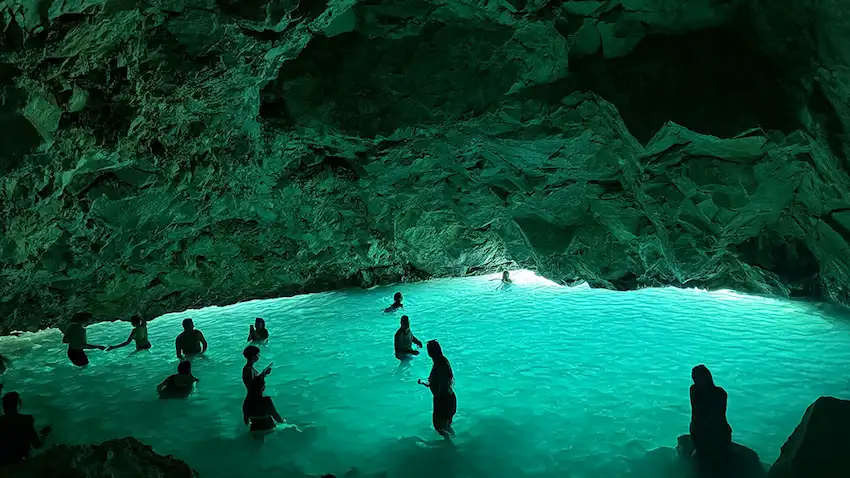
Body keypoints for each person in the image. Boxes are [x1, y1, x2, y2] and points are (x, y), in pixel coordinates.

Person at [689, 365, 732, 464]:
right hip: (703, 432)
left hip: (714, 433)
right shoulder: (695, 390)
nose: (694, 380)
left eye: (696, 378)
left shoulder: (719, 394)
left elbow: (715, 418)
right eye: (694, 378)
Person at [418, 340, 457, 439]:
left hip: (443, 400)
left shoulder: (440, 364)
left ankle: (450, 446)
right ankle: (454, 441)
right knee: (446, 427)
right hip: (449, 398)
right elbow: (438, 382)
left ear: (430, 352)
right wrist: (425, 382)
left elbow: (442, 385)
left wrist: (438, 398)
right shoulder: (442, 361)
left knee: (440, 428)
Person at [0, 392, 51, 466]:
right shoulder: (26, 420)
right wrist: (45, 434)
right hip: (22, 462)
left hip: (3, 464)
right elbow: (37, 445)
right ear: (18, 404)